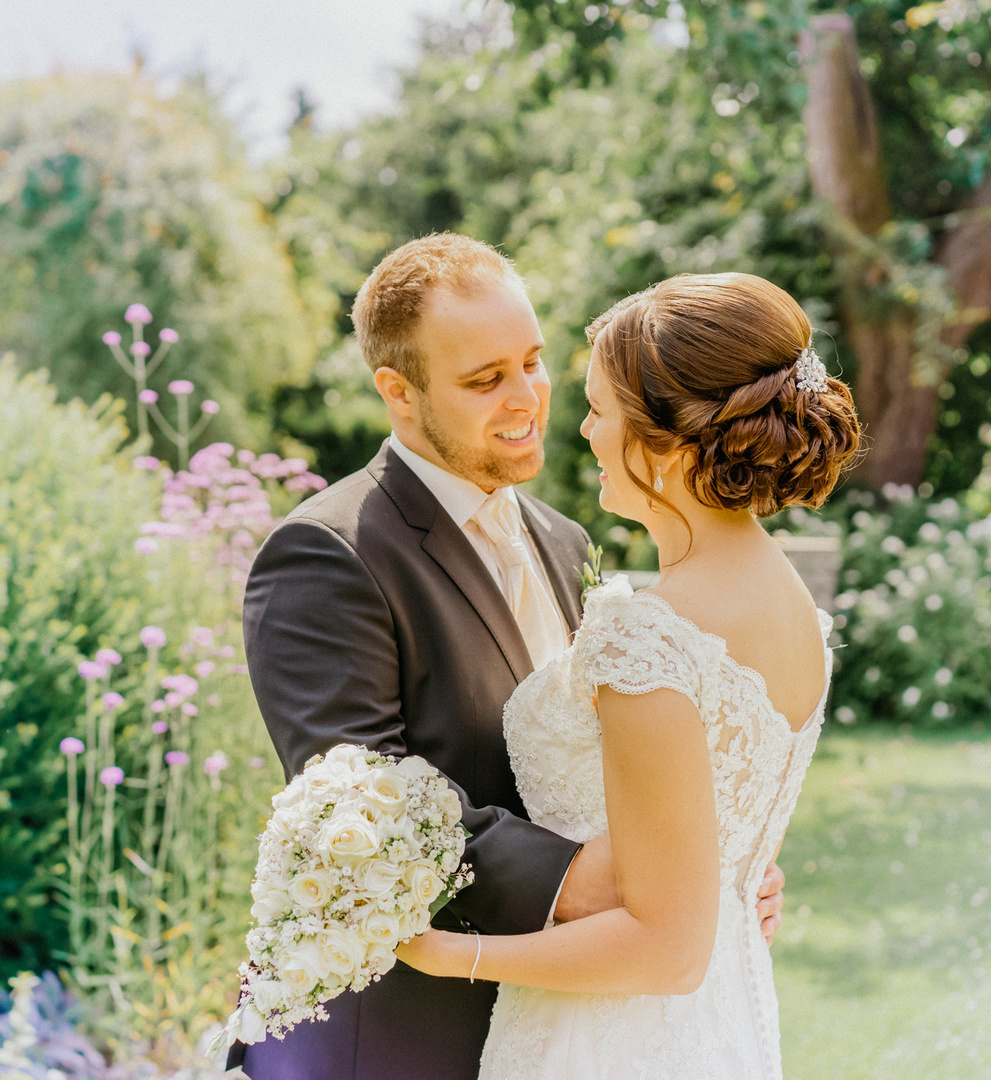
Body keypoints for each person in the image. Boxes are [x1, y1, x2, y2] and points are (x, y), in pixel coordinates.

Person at [228, 238, 791, 1080]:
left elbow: (617, 753)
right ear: (399, 392)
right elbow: (361, 802)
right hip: (396, 1038)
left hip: (559, 1018)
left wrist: (700, 859)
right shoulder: (325, 554)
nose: (527, 397)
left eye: (532, 363)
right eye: (485, 380)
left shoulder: (568, 541)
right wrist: (581, 879)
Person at [393, 271, 862, 1079]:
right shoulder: (795, 613)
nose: (581, 430)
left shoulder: (651, 635)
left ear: (667, 442)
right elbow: (725, 849)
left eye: (600, 411)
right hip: (721, 1022)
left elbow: (665, 949)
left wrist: (446, 953)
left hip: (606, 1040)